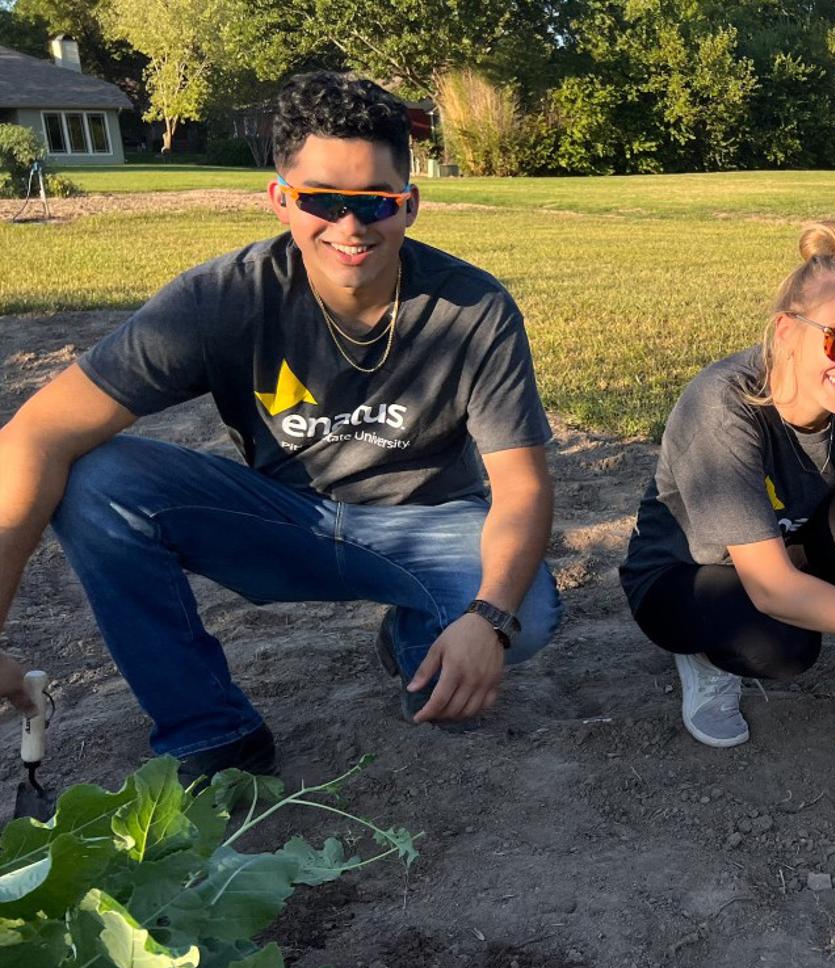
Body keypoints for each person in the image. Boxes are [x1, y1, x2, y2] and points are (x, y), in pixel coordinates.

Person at [0, 72, 563, 779]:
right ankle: (210, 731)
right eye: (321, 200)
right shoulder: (218, 300)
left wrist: (490, 619)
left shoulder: (472, 308)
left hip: (421, 525)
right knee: (97, 480)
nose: (350, 227)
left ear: (411, 205)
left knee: (528, 614)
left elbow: (521, 487)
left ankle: (415, 635)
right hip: (280, 519)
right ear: (280, 200)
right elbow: (33, 435)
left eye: (375, 203)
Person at [619, 220, 835, 806]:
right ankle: (705, 660)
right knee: (783, 645)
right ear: (787, 331)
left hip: (781, 556)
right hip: (685, 577)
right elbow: (774, 590)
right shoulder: (722, 403)